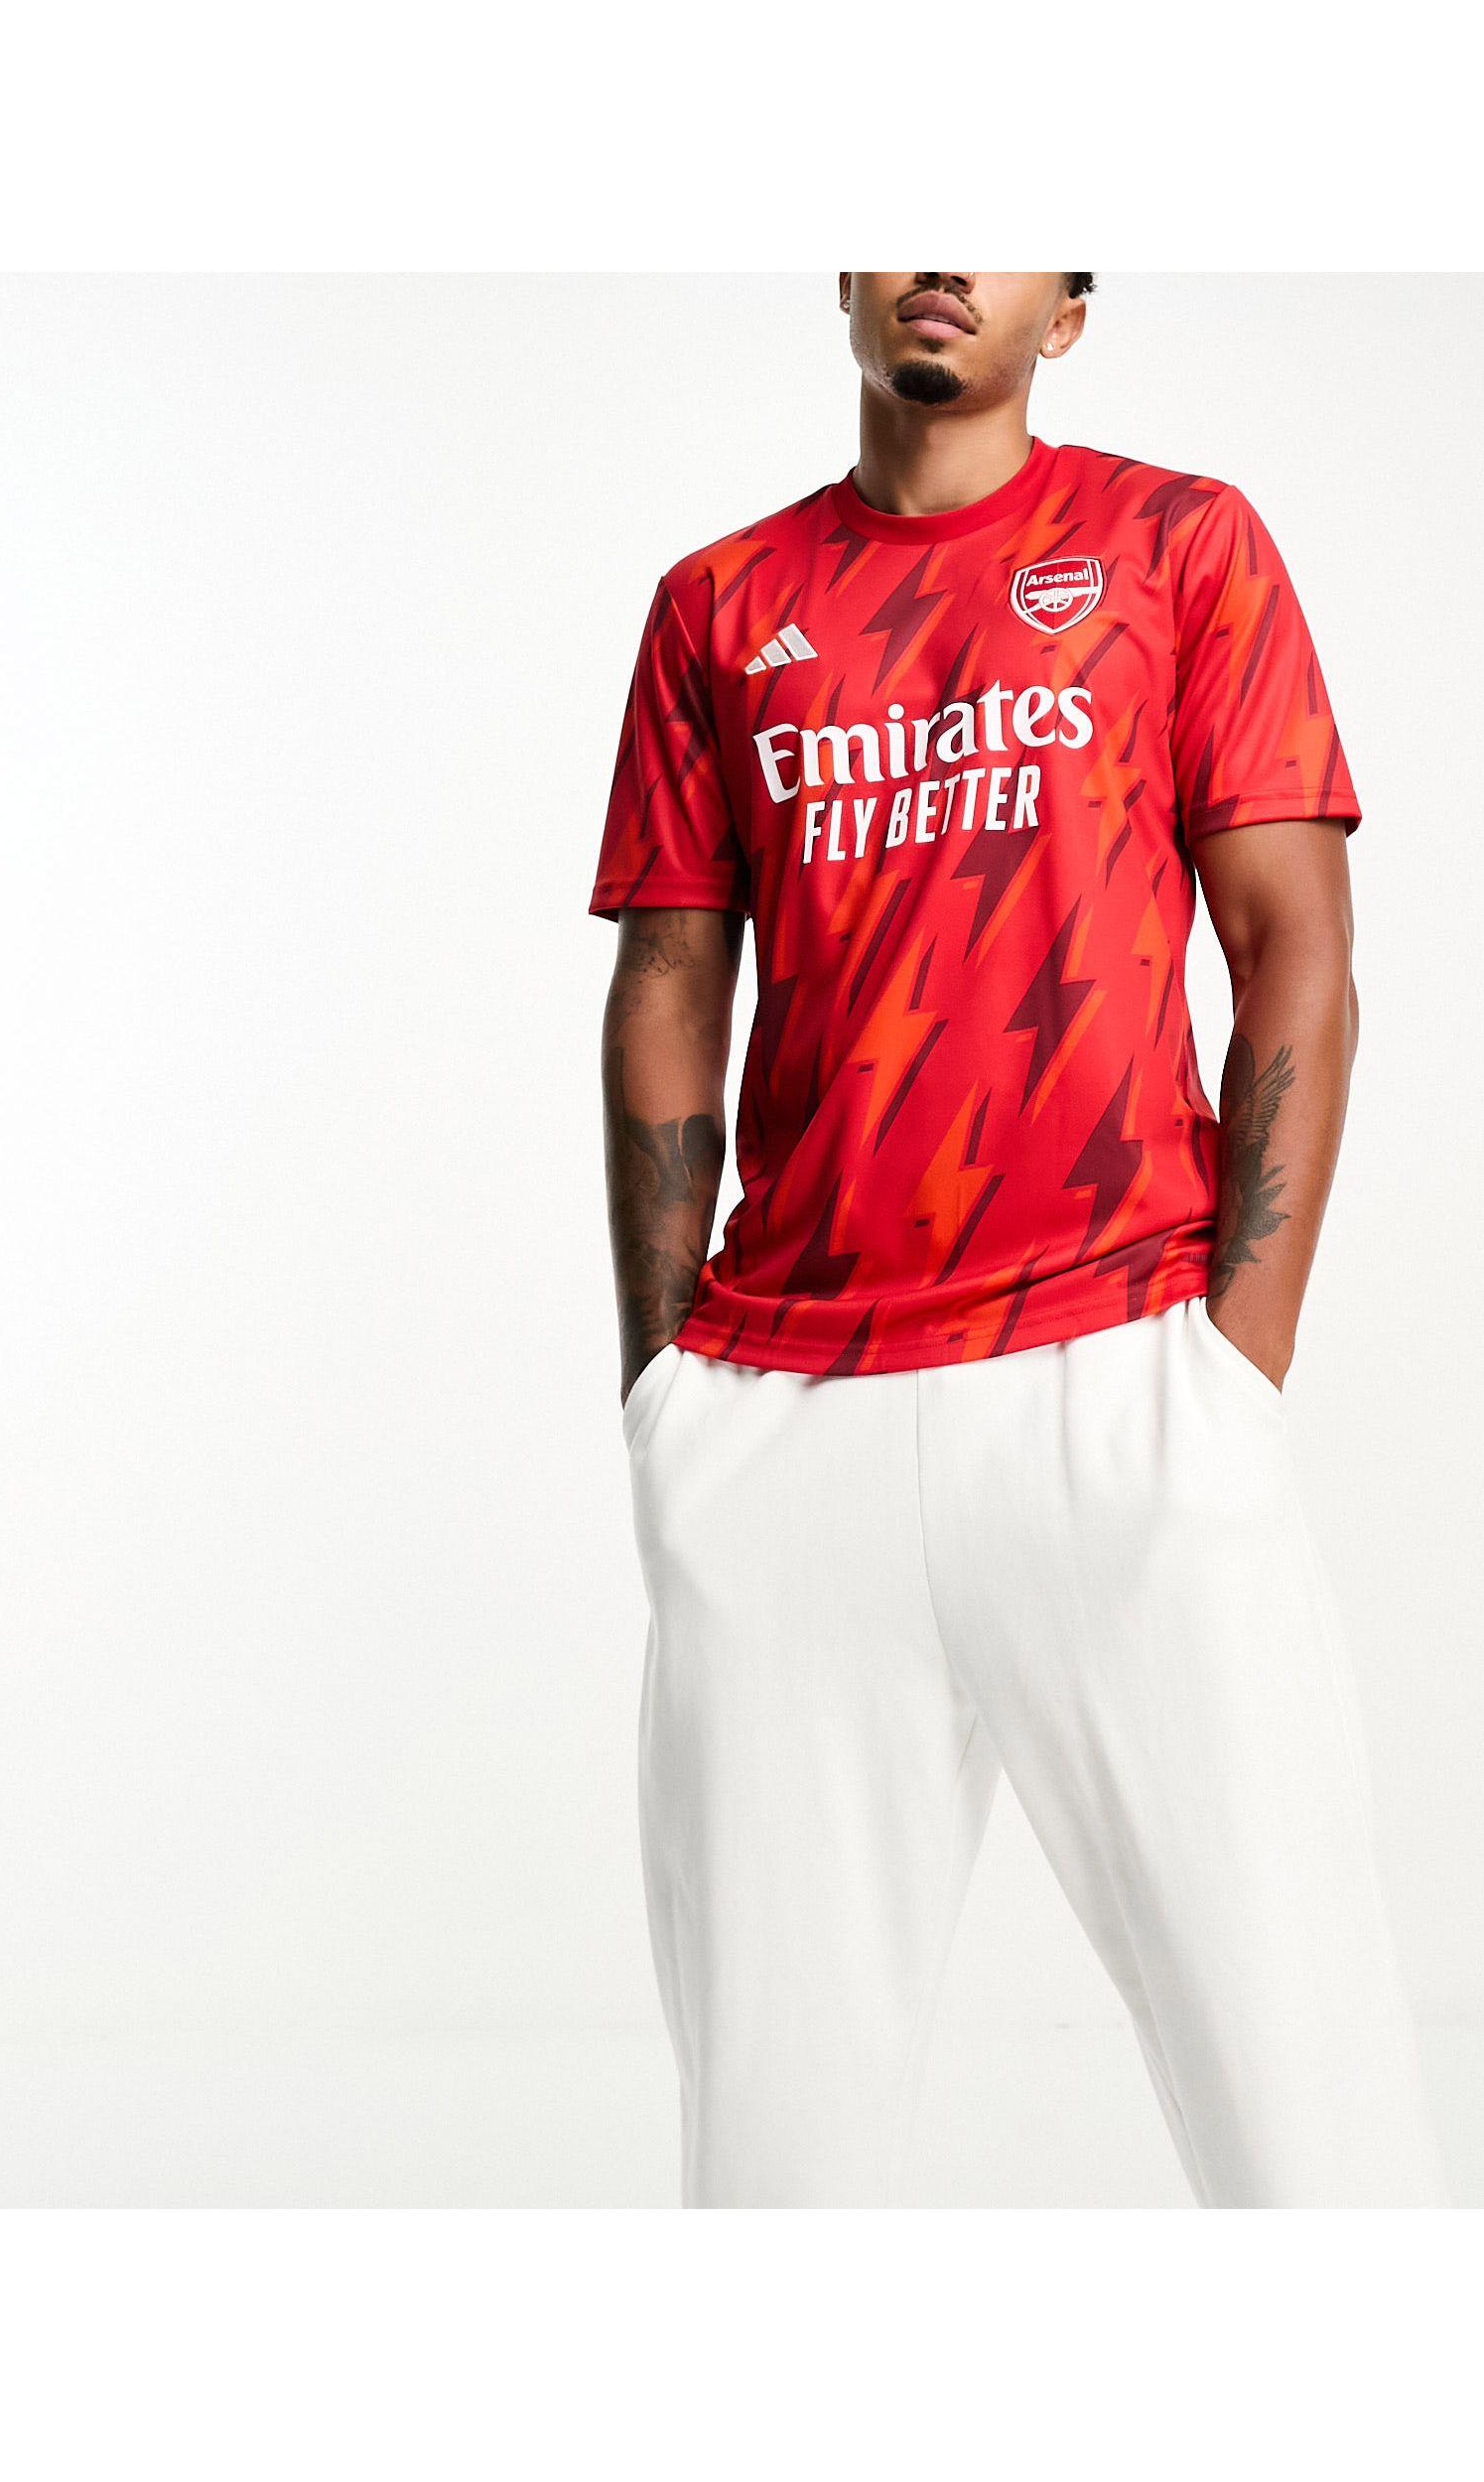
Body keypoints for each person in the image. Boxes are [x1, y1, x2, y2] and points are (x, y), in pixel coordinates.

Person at [590, 272, 1444, 2207]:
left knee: (1303, 2106)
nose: (942, 258)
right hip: (784, 1420)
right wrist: (664, 1390)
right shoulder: (718, 602)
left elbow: (1295, 946)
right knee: (778, 2159)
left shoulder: (1178, 545)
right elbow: (669, 979)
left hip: (1117, 1382)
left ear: (1068, 309)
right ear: (840, 272)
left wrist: (1230, 1369)